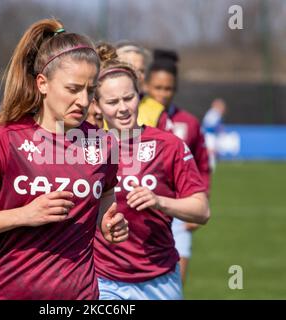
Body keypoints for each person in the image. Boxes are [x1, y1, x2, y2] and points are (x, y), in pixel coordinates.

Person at [0, 19, 129, 300]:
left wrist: (109, 223)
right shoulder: (4, 139)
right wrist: (24, 215)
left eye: (90, 91)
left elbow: (105, 199)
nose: (83, 101)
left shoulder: (104, 143)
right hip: (9, 293)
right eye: (73, 89)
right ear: (42, 83)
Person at [93, 43, 210, 300]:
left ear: (140, 95)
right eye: (112, 101)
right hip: (104, 281)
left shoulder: (169, 145)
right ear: (98, 105)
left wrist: (160, 201)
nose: (123, 108)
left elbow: (202, 211)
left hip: (161, 280)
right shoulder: (85, 149)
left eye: (128, 98)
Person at [144, 49, 211, 285]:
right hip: (142, 211)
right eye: (158, 88)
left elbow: (203, 165)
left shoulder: (189, 122)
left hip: (179, 212)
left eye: (168, 89)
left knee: (173, 285)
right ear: (145, 85)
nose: (163, 94)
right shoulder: (134, 118)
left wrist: (200, 199)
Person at [115, 41, 166, 128]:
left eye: (141, 70)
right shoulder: (96, 109)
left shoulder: (157, 111)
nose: (138, 76)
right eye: (131, 69)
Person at [202, 98, 227, 171]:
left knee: (212, 151)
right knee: (211, 151)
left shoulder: (213, 113)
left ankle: (210, 166)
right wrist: (220, 130)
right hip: (209, 135)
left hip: (210, 134)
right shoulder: (214, 113)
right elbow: (211, 125)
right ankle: (210, 166)